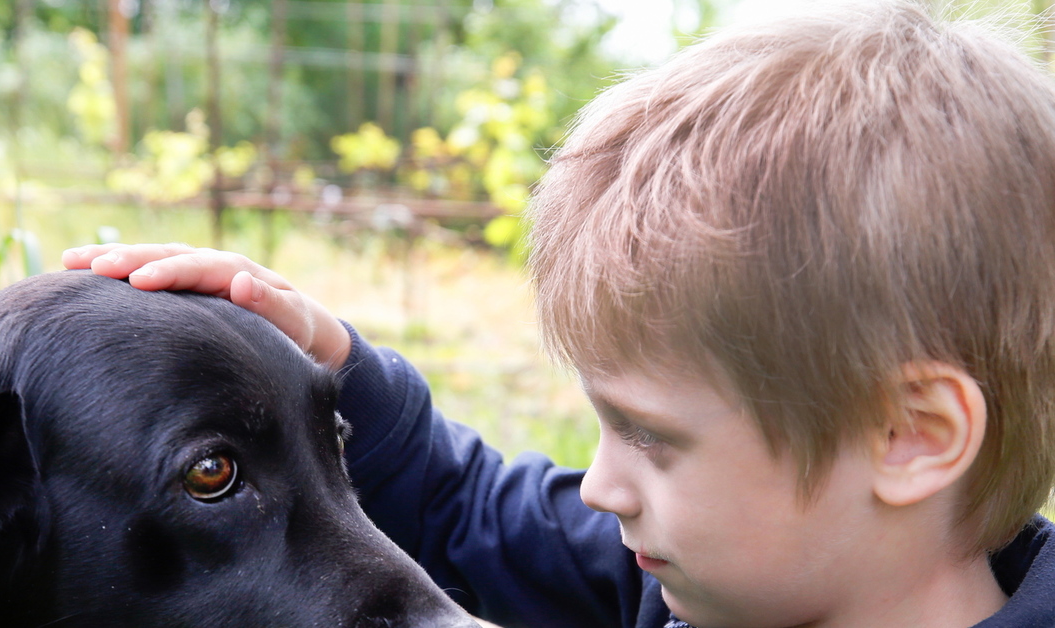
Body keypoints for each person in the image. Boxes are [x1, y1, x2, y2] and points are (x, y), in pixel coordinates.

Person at [63, 3, 1055, 626]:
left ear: (911, 436)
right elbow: (463, 506)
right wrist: (338, 369)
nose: (601, 487)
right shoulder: (673, 573)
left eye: (654, 439)